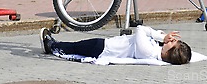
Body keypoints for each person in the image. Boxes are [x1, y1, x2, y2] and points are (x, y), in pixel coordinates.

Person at [40, 25, 192, 65]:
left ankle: (51, 46)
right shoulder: (157, 50)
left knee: (74, 48)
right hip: (105, 46)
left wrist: (161, 36)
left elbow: (141, 30)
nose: (169, 40)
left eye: (172, 43)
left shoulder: (148, 51)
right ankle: (55, 45)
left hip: (103, 48)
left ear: (169, 53)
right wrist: (162, 38)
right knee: (76, 46)